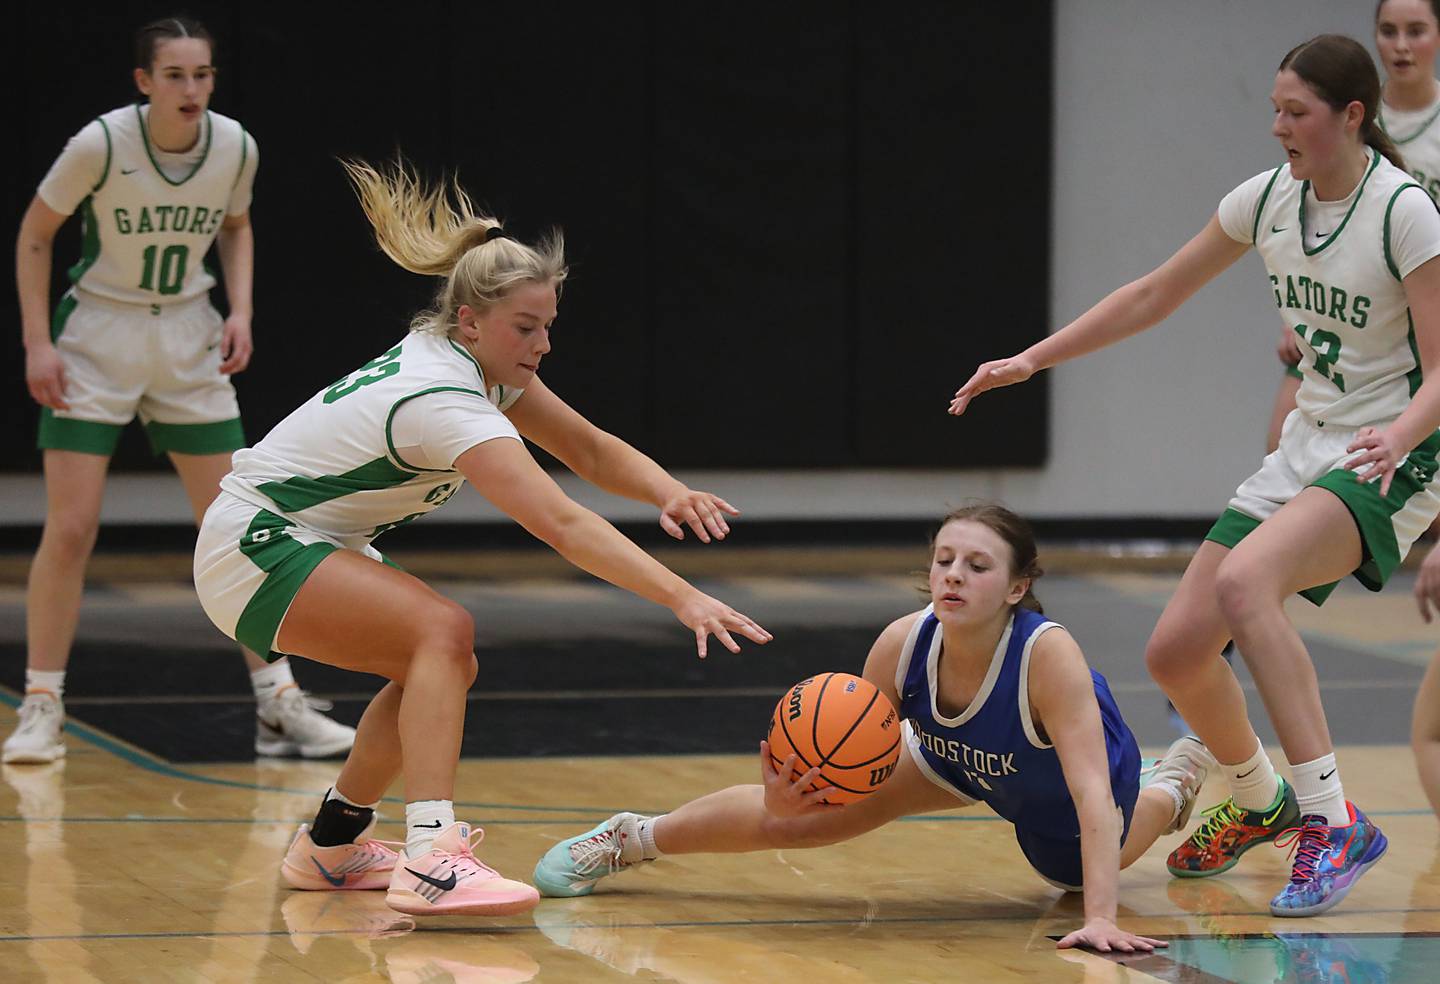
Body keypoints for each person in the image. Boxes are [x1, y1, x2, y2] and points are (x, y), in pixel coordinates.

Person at [193, 156, 772, 917]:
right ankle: (432, 856)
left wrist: (668, 490)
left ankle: (330, 847)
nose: (543, 344)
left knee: (436, 666)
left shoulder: (482, 372)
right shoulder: (443, 397)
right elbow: (561, 521)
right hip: (256, 542)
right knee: (442, 631)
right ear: (470, 322)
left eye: (548, 327)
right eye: (526, 328)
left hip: (294, 538)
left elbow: (590, 450)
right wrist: (682, 596)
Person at [949, 35, 1440, 917]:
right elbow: (1151, 294)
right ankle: (1261, 802)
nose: (1278, 125)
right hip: (1310, 443)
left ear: (1352, 116)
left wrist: (1401, 435)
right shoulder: (1267, 202)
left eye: (1296, 111)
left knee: (1250, 584)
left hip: (1393, 452)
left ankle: (1334, 822)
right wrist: (1033, 359)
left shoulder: (1404, 212)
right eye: (1274, 108)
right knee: (1176, 653)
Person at [533, 504, 1215, 953]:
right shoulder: (903, 644)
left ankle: (1173, 781)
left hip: (1058, 784)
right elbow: (850, 754)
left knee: (1077, 871)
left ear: (1015, 587)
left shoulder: (1047, 656)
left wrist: (1102, 918)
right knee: (807, 820)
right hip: (951, 758)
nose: (954, 575)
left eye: (977, 566)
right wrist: (790, 795)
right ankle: (630, 839)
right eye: (945, 559)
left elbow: (1092, 792)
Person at [6, 16, 354, 766]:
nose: (191, 89)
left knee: (241, 525)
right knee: (70, 529)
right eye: (174, 75)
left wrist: (242, 309)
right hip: (98, 337)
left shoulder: (234, 145)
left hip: (187, 337)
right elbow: (36, 235)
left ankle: (277, 704)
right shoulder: (100, 144)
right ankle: (41, 704)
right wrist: (37, 340)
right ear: (144, 82)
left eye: (202, 75)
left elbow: (237, 225)